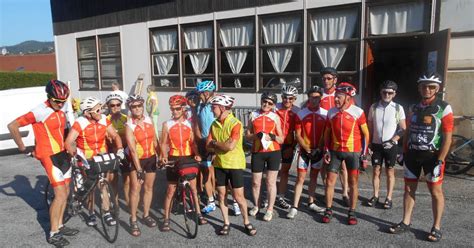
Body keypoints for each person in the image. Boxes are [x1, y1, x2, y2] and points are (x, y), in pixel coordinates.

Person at [7, 80, 78, 246]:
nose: (60, 104)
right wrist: (22, 147)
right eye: (57, 101)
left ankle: (59, 225)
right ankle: (53, 233)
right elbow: (12, 126)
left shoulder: (62, 109)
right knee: (60, 194)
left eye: (63, 101)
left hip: (63, 155)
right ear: (49, 97)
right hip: (48, 156)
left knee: (65, 192)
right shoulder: (40, 111)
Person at [389, 73, 453, 242]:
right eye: (424, 86)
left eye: (431, 86)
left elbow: (447, 137)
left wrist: (441, 159)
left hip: (432, 157)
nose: (427, 89)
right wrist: (402, 152)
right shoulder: (412, 108)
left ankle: (436, 226)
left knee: (435, 191)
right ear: (419, 88)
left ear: (437, 89)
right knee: (409, 189)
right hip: (412, 155)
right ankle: (405, 221)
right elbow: (408, 131)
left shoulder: (444, 108)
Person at [64, 96, 124, 227]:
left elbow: (115, 135)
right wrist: (75, 156)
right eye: (97, 110)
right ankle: (91, 213)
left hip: (101, 157)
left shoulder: (103, 120)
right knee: (90, 187)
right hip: (87, 159)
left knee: (103, 184)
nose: (101, 112)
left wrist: (119, 149)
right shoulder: (80, 122)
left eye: (101, 109)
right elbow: (68, 142)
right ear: (87, 113)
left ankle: (106, 212)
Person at [206, 94, 257, 236]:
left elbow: (230, 146)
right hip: (219, 165)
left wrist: (215, 143)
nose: (212, 109)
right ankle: (226, 222)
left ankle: (246, 222)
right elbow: (207, 146)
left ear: (222, 108)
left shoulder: (236, 123)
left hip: (234, 164)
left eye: (214, 107)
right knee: (221, 195)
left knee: (238, 196)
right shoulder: (214, 124)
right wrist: (218, 145)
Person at [322, 82, 370, 225]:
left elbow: (366, 134)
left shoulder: (358, 112)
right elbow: (327, 133)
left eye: (339, 97)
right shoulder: (331, 112)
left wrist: (364, 154)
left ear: (348, 98)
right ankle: (328, 209)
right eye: (335, 96)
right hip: (335, 151)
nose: (336, 99)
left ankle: (352, 211)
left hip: (353, 152)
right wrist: (326, 150)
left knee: (353, 183)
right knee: (330, 181)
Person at [160, 95, 208, 232]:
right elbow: (163, 143)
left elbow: (192, 144)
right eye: (172, 109)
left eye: (177, 109)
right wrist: (163, 156)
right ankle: (166, 219)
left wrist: (197, 154)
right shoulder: (167, 124)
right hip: (173, 158)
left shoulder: (189, 124)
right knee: (170, 190)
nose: (174, 112)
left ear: (183, 109)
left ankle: (198, 214)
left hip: (188, 158)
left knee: (193, 188)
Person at [287, 85, 327, 219]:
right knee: (300, 179)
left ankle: (311, 202)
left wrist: (320, 148)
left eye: (317, 98)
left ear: (320, 98)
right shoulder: (301, 113)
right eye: (312, 97)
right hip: (304, 151)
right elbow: (297, 134)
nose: (314, 100)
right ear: (308, 98)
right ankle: (294, 206)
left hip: (318, 151)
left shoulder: (325, 113)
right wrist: (306, 147)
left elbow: (325, 133)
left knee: (314, 177)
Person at [367, 80, 406, 209]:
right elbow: (370, 128)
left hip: (391, 145)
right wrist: (369, 144)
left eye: (390, 93)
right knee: (376, 170)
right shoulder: (373, 107)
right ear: (380, 92)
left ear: (394, 94)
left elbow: (403, 128)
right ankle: (375, 195)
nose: (387, 95)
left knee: (390, 171)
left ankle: (389, 198)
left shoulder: (398, 108)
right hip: (377, 145)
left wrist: (393, 140)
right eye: (384, 92)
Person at [246, 92, 284, 222]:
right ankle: (256, 205)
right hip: (257, 152)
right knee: (256, 182)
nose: (266, 105)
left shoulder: (275, 117)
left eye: (270, 103)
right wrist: (255, 136)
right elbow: (247, 135)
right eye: (264, 101)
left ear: (273, 105)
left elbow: (282, 138)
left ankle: (269, 209)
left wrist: (272, 136)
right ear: (261, 101)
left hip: (273, 152)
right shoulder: (253, 115)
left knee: (270, 182)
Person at [125, 95, 159, 237]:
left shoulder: (149, 120)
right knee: (135, 189)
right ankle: (133, 219)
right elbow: (132, 150)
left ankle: (145, 215)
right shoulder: (129, 125)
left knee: (149, 188)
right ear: (130, 108)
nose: (137, 108)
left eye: (139, 105)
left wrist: (160, 155)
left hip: (150, 157)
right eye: (134, 106)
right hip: (136, 159)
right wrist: (138, 169)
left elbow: (155, 140)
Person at [319, 67, 350, 207]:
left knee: (343, 166)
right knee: (324, 166)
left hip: (340, 136)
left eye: (329, 78)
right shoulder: (319, 95)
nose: (326, 81)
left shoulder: (343, 93)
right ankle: (327, 191)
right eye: (324, 78)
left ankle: (345, 193)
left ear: (335, 79)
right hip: (324, 135)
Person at [275, 85, 300, 210]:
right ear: (281, 97)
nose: (287, 101)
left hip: (288, 144)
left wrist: (293, 145)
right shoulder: (274, 107)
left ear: (294, 99)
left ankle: (281, 196)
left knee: (284, 171)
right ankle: (269, 195)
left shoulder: (297, 111)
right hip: (274, 143)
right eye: (285, 97)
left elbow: (298, 131)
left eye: (290, 98)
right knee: (270, 171)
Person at [195, 80, 218, 214]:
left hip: (215, 142)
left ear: (207, 93)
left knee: (221, 173)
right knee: (205, 171)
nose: (199, 96)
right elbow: (198, 122)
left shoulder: (215, 105)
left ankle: (232, 202)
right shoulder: (201, 105)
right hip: (204, 142)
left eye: (201, 94)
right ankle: (211, 201)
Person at [105, 93, 131, 206]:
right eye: (112, 105)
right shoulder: (105, 120)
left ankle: (129, 203)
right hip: (111, 151)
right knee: (113, 180)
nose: (115, 107)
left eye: (118, 104)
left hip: (124, 151)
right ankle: (114, 204)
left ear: (121, 105)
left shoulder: (126, 119)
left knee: (127, 180)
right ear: (108, 106)